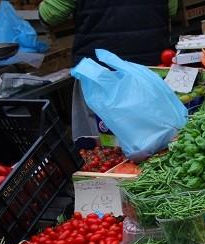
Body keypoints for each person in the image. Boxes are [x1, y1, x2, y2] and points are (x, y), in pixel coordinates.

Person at [37, 0, 179, 142]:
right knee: (156, 138)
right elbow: (172, 9)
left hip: (101, 75)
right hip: (150, 71)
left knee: (108, 145)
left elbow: (49, 15)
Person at [38, 0, 179, 66]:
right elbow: (172, 9)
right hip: (151, 67)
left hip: (101, 72)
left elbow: (49, 16)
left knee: (103, 124)